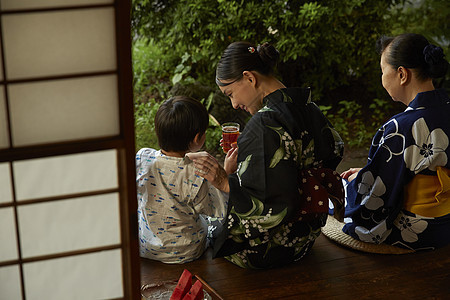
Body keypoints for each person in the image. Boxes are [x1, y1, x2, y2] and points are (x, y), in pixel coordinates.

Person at [187, 41, 345, 269]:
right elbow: (333, 148)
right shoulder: (309, 106)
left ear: (249, 78)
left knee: (206, 225)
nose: (233, 104)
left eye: (230, 93)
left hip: (269, 249)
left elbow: (268, 201)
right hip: (305, 238)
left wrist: (224, 180)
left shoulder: (263, 124)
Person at [340, 33, 450, 250]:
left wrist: (358, 180)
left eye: (383, 71)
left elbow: (375, 199)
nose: (382, 78)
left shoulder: (401, 127)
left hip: (421, 229)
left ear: (402, 74)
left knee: (342, 189)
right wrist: (367, 171)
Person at [136, 96, 228, 263]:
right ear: (197, 138)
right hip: (185, 251)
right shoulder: (196, 172)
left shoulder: (142, 158)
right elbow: (218, 210)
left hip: (146, 247)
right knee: (214, 224)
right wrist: (226, 173)